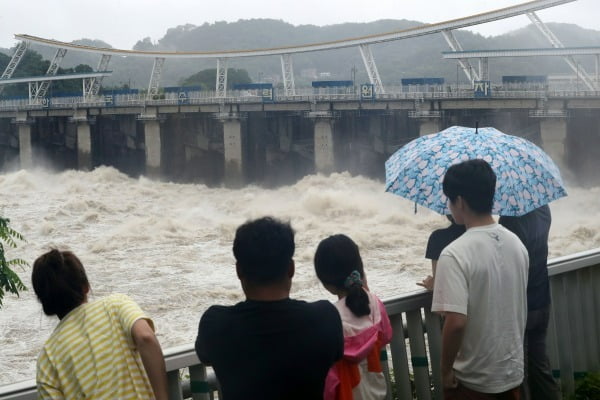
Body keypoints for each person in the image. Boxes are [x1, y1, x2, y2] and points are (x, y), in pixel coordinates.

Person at [195, 216, 344, 400]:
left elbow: (204, 355)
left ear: (239, 271)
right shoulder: (325, 318)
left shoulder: (215, 324)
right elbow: (337, 353)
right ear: (291, 268)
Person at [431, 159, 529, 400]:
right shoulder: (516, 244)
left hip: (474, 381)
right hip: (512, 373)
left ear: (460, 201)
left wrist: (444, 372)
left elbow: (456, 323)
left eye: (450, 199)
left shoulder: (454, 254)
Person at [31, 249, 168, 400]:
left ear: (46, 305)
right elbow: (145, 337)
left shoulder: (47, 360)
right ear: (86, 286)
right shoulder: (116, 305)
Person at [314, 234, 393, 400]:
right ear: (359, 269)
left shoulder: (330, 320)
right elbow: (386, 336)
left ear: (327, 285)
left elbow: (328, 381)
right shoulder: (374, 303)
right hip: (376, 392)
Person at [499, 205, 560, 400]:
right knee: (540, 366)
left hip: (520, 305)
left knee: (519, 373)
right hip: (541, 298)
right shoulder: (544, 210)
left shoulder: (509, 220)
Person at [418, 215, 466, 290]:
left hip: (454, 299)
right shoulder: (487, 237)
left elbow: (438, 283)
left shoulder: (438, 237)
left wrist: (430, 282)